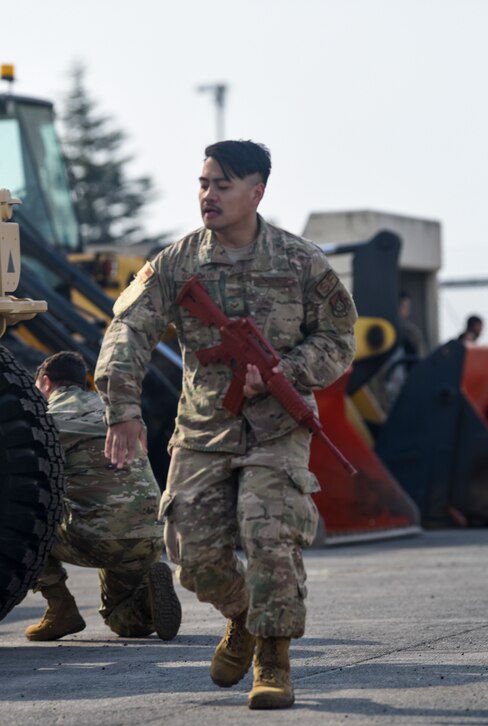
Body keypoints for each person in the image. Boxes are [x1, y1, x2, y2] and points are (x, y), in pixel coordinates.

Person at [95, 140, 357, 710]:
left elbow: (340, 341)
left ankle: (273, 661)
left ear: (257, 191)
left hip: (275, 433)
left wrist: (286, 371)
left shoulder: (300, 262)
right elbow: (128, 330)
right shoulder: (178, 262)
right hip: (203, 431)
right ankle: (242, 616)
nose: (208, 195)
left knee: (270, 539)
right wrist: (123, 410)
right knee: (193, 559)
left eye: (222, 185)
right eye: (204, 183)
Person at [27, 351, 181, 642]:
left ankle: (60, 608)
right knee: (120, 618)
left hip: (98, 536)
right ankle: (149, 597)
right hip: (148, 534)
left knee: (20, 520)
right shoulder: (118, 412)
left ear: (45, 383)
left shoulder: (48, 420)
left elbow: (23, 479)